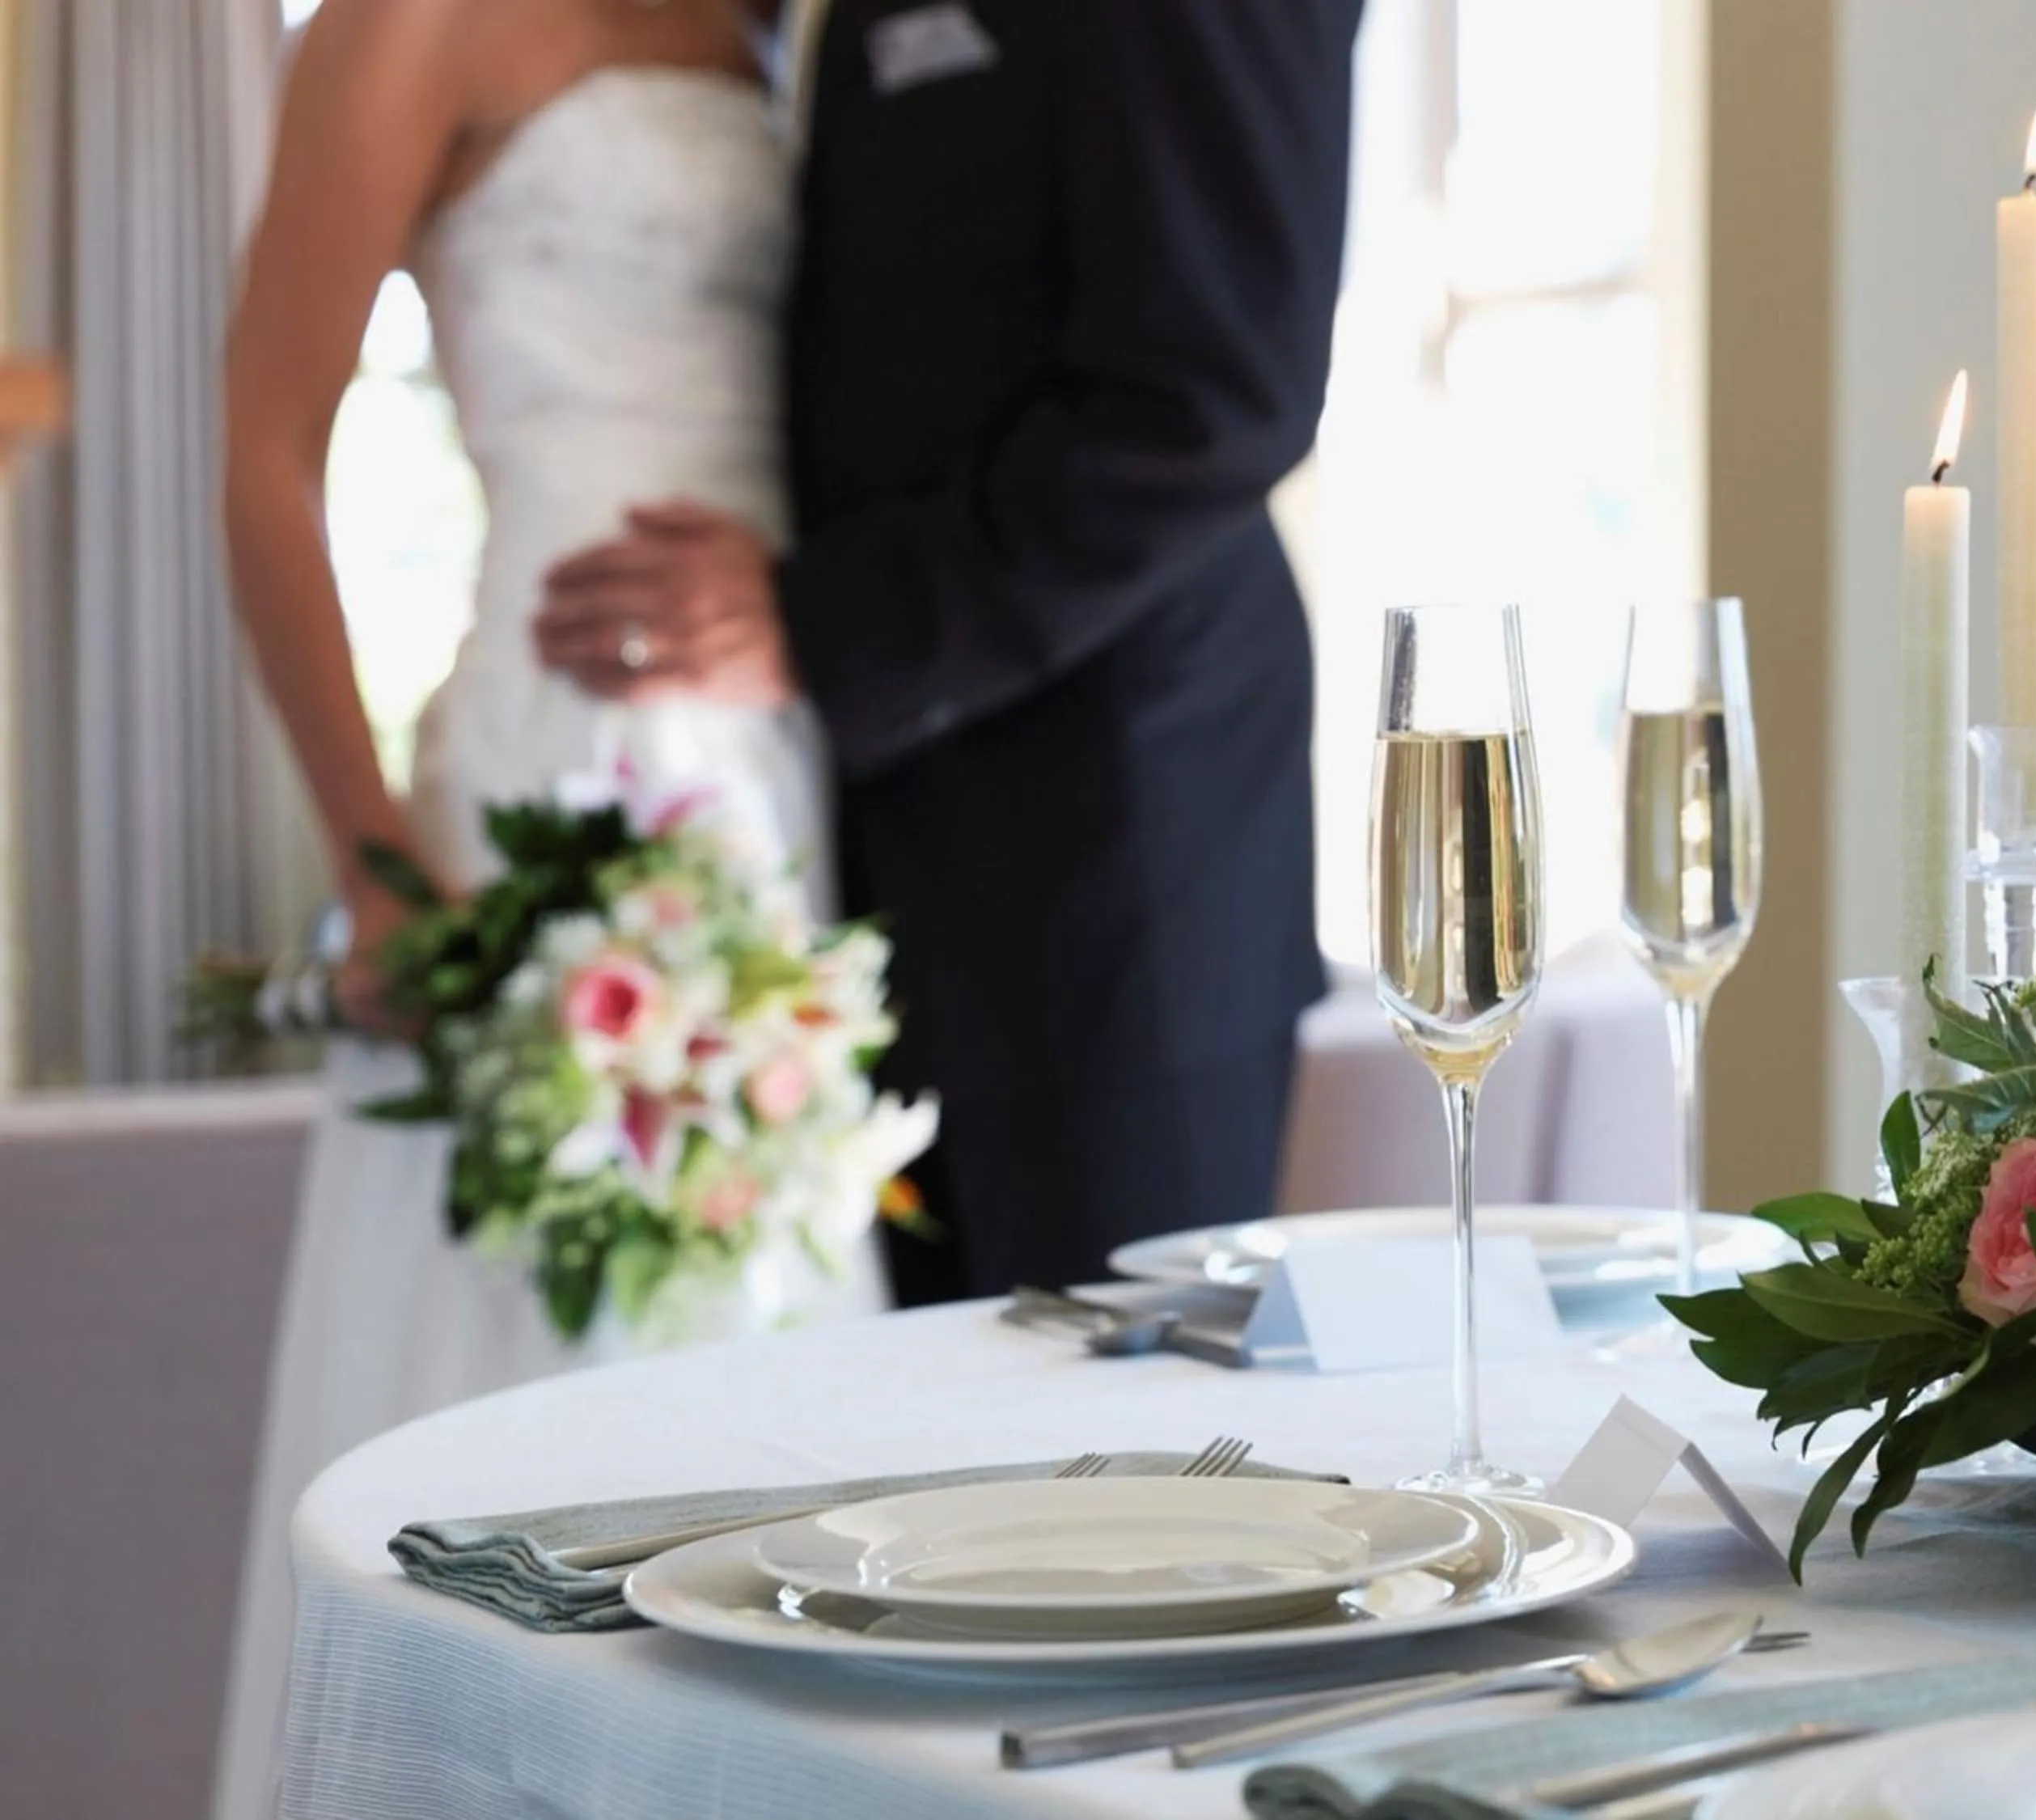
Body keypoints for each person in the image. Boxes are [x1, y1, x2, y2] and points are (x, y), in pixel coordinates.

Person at [210, 5, 879, 1815]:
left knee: (779, 1360)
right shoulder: (399, 26)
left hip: (776, 780)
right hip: (545, 767)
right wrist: (370, 858)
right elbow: (263, 452)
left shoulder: (761, 32)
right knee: (525, 1355)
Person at [535, 0, 1365, 1303]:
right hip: (863, 877)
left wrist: (820, 624)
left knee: (1111, 1480)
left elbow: (1220, 391)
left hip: (1109, 888)